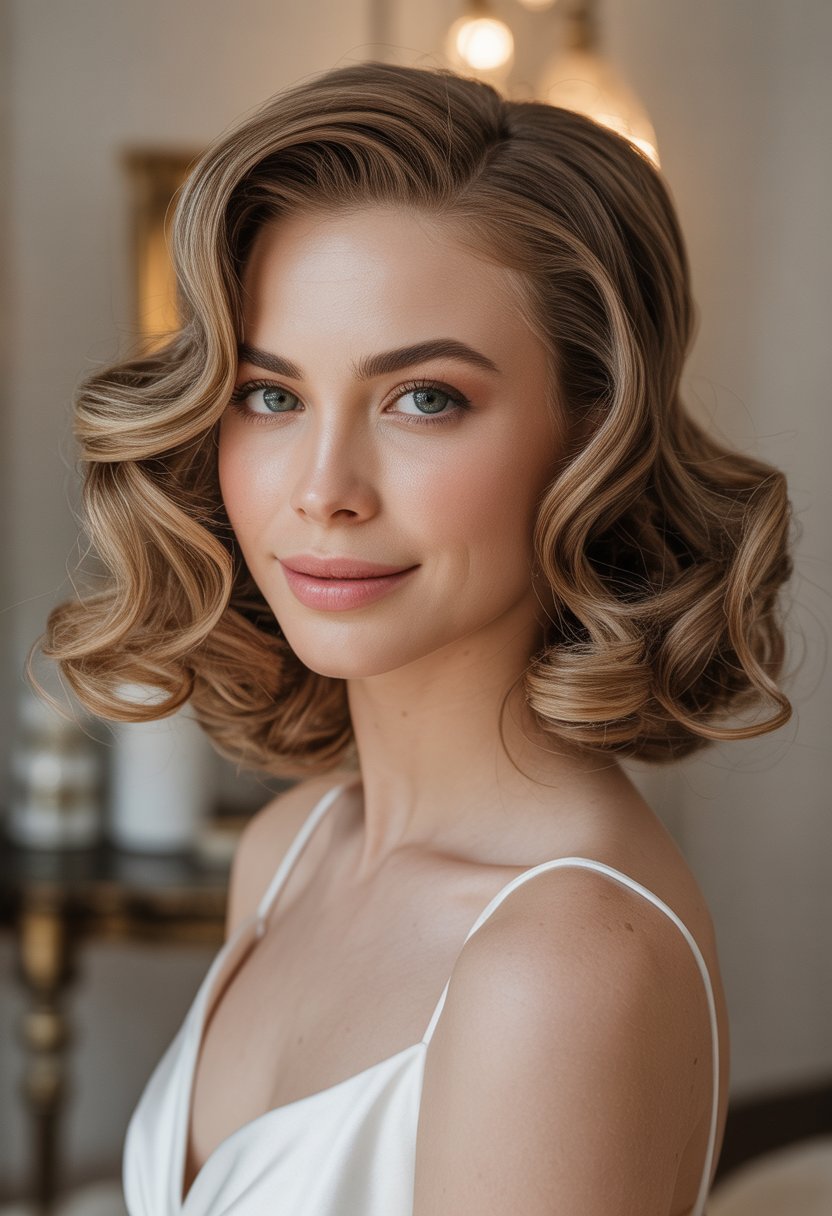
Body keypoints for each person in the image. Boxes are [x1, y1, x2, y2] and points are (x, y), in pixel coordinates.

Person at [36, 59, 793, 1216]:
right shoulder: (288, 852)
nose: (324, 489)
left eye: (423, 397)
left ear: (591, 432)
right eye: (270, 394)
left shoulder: (563, 965)